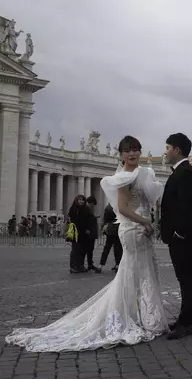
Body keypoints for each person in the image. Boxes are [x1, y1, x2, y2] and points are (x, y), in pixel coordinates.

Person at [5, 135, 166, 352]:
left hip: (141, 229)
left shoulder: (142, 174)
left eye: (136, 149)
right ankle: (136, 315)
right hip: (133, 229)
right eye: (128, 150)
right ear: (121, 155)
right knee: (133, 272)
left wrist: (149, 218)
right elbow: (123, 208)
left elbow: (148, 200)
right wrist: (145, 220)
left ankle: (142, 313)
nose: (133, 153)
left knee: (142, 272)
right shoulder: (122, 177)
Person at [160, 133, 192, 339]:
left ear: (177, 150)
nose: (165, 151)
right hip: (180, 234)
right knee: (184, 279)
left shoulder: (185, 172)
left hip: (182, 236)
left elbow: (185, 206)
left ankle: (187, 323)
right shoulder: (181, 171)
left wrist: (178, 232)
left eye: (168, 148)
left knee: (186, 279)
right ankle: (183, 319)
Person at [67, 195, 93, 273]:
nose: (81, 201)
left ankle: (80, 265)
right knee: (75, 250)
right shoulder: (73, 209)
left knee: (83, 250)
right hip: (76, 232)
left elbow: (88, 220)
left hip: (84, 232)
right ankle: (73, 266)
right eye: (80, 200)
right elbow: (74, 220)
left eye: (83, 200)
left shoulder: (86, 209)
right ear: (76, 201)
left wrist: (88, 228)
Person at [100, 203, 123, 272]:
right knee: (118, 248)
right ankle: (118, 264)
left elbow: (105, 220)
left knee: (107, 247)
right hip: (118, 228)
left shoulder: (108, 207)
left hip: (110, 229)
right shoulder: (119, 206)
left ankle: (101, 265)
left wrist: (104, 227)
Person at [84, 196, 101, 273]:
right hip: (89, 232)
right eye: (92, 204)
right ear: (89, 202)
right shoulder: (86, 209)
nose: (93, 205)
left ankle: (90, 264)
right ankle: (89, 264)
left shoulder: (89, 209)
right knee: (89, 249)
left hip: (91, 232)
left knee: (90, 249)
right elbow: (87, 220)